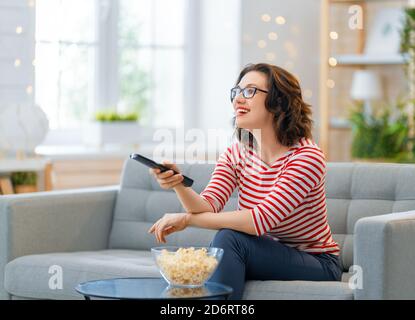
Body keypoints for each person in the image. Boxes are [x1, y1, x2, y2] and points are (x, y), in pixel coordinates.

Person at [148, 63, 342, 300]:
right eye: (236, 92)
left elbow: (259, 221)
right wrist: (178, 183)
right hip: (262, 252)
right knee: (221, 246)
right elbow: (208, 204)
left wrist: (187, 220)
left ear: (278, 102)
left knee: (230, 239)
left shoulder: (306, 157)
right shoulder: (236, 153)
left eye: (249, 91)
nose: (238, 99)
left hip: (317, 262)